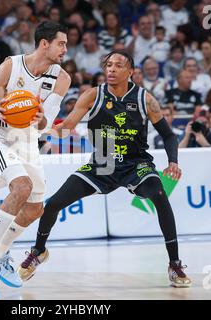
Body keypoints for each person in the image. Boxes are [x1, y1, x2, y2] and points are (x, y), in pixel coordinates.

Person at [17, 50, 191, 288]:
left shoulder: (145, 99)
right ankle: (38, 251)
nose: (111, 69)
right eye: (108, 65)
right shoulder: (92, 95)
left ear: (130, 72)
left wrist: (173, 161)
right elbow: (67, 128)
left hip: (135, 163)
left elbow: (169, 136)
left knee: (159, 195)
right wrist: (40, 128)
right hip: (103, 161)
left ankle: (175, 264)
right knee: (53, 204)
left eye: (118, 65)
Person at [0, 21, 71, 298]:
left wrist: (40, 121)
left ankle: (0, 255)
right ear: (44, 43)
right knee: (22, 187)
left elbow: (45, 125)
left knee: (35, 209)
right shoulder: (10, 66)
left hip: (27, 142)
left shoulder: (62, 79)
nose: (66, 49)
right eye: (61, 43)